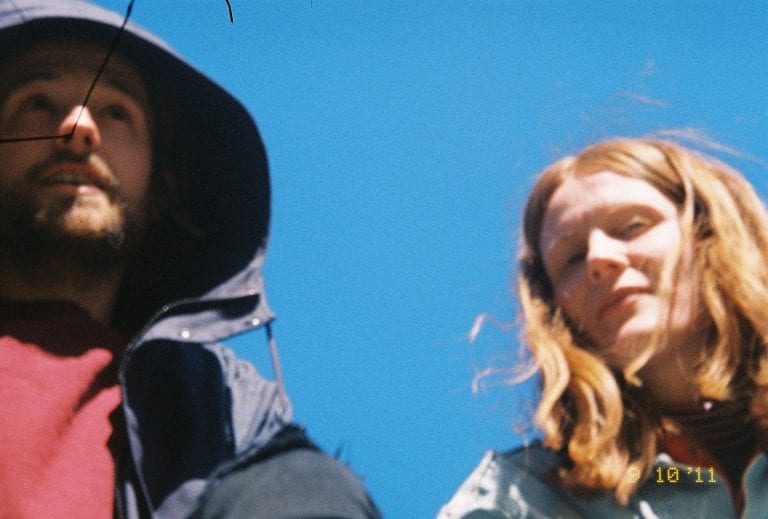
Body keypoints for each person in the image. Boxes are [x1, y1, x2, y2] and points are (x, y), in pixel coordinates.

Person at [0, 1, 379, 517]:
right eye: (37, 102)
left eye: (117, 112)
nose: (78, 127)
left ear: (161, 189)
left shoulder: (214, 405)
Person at [438, 138, 768, 518]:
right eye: (572, 259)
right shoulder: (526, 499)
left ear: (709, 231)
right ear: (559, 312)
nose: (599, 258)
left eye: (632, 226)